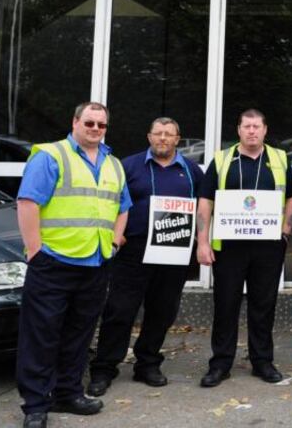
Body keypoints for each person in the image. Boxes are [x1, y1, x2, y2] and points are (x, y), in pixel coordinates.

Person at [16, 102, 131, 428]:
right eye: (90, 123)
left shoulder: (114, 164)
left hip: (95, 262)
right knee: (41, 336)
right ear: (75, 122)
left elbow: (123, 206)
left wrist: (113, 240)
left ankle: (68, 392)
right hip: (54, 262)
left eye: (101, 125)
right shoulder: (51, 156)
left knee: (79, 335)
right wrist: (35, 249)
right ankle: (36, 405)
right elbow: (27, 202)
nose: (95, 129)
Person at [87, 117, 205, 396]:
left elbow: (203, 207)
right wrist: (116, 232)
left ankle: (148, 364)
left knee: (162, 310)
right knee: (119, 310)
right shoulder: (127, 166)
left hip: (173, 248)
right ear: (149, 136)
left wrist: (201, 240)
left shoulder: (191, 171)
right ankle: (104, 368)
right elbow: (108, 201)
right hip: (133, 249)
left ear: (178, 139)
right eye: (158, 133)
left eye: (169, 134)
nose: (163, 138)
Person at [195, 109, 292, 387]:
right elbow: (205, 201)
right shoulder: (222, 160)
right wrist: (202, 243)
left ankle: (262, 361)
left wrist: (286, 229)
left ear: (265, 130)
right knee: (225, 304)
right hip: (229, 247)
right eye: (247, 126)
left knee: (263, 305)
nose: (252, 131)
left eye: (257, 126)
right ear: (238, 130)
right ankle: (220, 364)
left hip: (268, 247)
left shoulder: (278, 159)